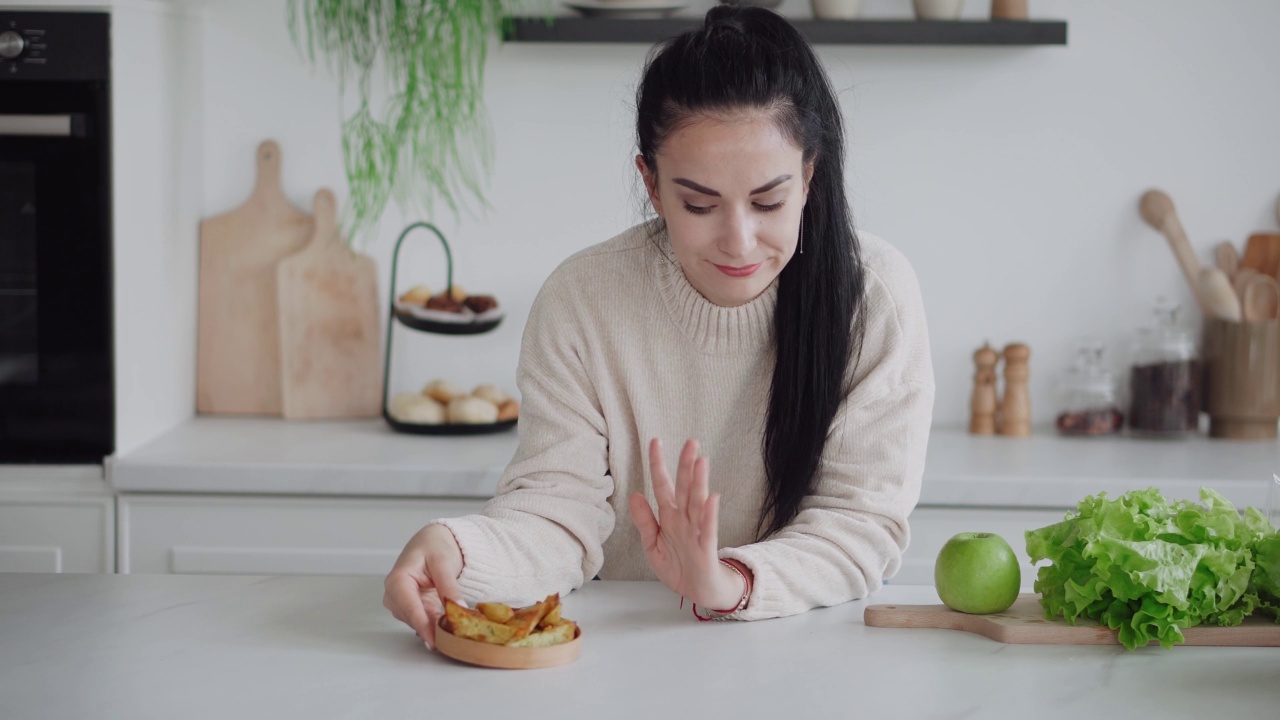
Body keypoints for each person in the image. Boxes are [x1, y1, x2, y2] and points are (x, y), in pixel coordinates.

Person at [384, 5, 934, 647]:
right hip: (629, 649)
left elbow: (859, 524)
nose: (739, 240)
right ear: (650, 182)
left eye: (769, 201)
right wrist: (459, 549)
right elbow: (558, 513)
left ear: (809, 177)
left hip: (808, 649)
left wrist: (725, 582)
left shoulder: (873, 296)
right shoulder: (583, 299)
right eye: (699, 203)